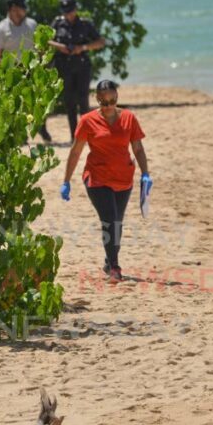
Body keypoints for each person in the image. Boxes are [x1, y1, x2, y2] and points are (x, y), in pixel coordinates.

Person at [61, 80, 151, 281]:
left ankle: (108, 261)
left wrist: (146, 173)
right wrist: (66, 180)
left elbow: (137, 148)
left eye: (112, 101)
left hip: (123, 179)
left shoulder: (129, 118)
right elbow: (76, 151)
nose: (109, 106)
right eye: (104, 102)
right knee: (109, 219)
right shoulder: (87, 121)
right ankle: (115, 268)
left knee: (116, 224)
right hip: (97, 178)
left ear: (117, 97)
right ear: (97, 99)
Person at [0, 0, 51, 142]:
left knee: (37, 101)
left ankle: (42, 129)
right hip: (12, 71)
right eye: (22, 8)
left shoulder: (32, 24)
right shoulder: (1, 28)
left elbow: (41, 46)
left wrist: (44, 65)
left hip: (32, 68)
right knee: (16, 103)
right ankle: (20, 134)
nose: (25, 11)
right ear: (13, 9)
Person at [49, 0, 106, 141]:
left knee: (83, 100)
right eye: (66, 12)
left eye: (71, 11)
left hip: (82, 66)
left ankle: (86, 133)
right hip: (64, 65)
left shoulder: (85, 24)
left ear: (76, 9)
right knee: (69, 101)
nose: (68, 14)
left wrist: (83, 47)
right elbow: (47, 40)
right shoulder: (57, 23)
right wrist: (60, 47)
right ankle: (74, 135)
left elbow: (100, 42)